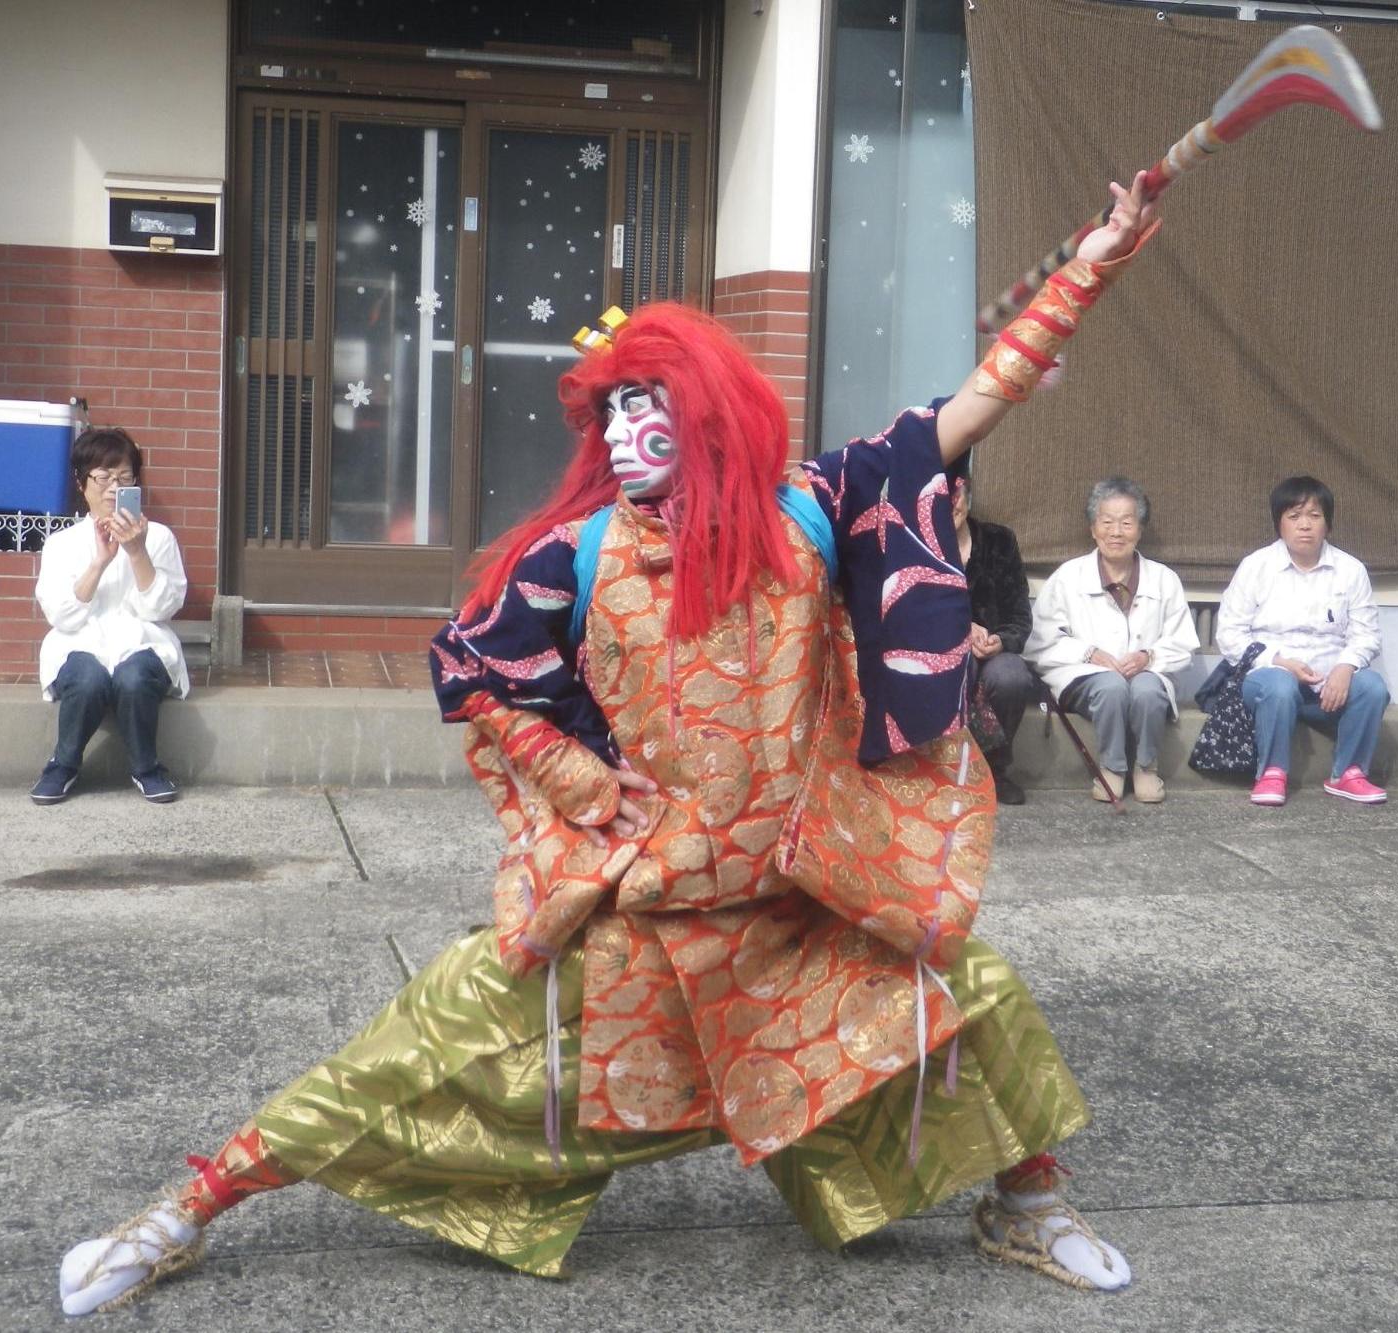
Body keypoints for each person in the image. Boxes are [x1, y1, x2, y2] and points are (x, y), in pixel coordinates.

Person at [56, 173, 1165, 1316]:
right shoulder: (576, 553)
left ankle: (1024, 1197)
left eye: (654, 405)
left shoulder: (809, 511)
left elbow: (967, 409)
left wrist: (1088, 265)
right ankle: (190, 1205)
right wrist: (579, 777)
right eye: (613, 411)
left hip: (793, 904)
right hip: (641, 911)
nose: (631, 432)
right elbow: (474, 671)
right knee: (420, 1042)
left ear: (712, 411)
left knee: (967, 992)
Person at [30, 426, 188, 805]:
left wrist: (136, 552)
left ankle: (147, 769)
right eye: (102, 477)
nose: (113, 488)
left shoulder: (159, 538)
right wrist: (100, 563)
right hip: (78, 643)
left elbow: (163, 607)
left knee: (133, 678)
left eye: (124, 477)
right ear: (82, 484)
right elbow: (61, 616)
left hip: (143, 643)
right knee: (87, 679)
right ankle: (62, 765)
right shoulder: (62, 544)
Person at [1214, 476, 1388, 808]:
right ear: (1279, 523)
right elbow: (1230, 633)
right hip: (1268, 678)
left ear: (1328, 523)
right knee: (1279, 685)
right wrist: (1277, 661)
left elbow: (1367, 633)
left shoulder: (1351, 570)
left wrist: (1345, 666)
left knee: (1372, 687)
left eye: (1314, 515)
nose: (1304, 525)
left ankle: (1348, 774)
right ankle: (1272, 773)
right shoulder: (1256, 567)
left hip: (1328, 684)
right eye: (1294, 516)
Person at [1026, 478, 1197, 803]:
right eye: (1107, 522)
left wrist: (1149, 656)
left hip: (1147, 674)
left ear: (1140, 529)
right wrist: (1087, 653)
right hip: (1083, 677)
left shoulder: (1164, 580)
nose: (1116, 532)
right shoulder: (1067, 577)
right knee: (1112, 687)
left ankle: (1146, 767)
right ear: (1093, 529)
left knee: (1147, 691)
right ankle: (1113, 768)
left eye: (1126, 522)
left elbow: (1183, 642)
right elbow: (1039, 640)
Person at [949, 459, 1036, 805]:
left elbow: (1020, 616)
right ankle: (952, 769)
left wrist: (1002, 641)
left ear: (967, 497)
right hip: (944, 651)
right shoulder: (919, 547)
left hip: (995, 651)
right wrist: (960, 630)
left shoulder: (1000, 541)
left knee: (1012, 677)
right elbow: (910, 613)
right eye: (940, 497)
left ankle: (994, 770)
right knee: (959, 668)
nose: (951, 504)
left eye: (956, 494)